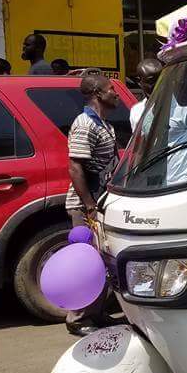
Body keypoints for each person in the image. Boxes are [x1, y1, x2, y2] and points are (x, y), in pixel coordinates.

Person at [64, 73, 120, 336]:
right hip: (85, 205)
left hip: (98, 203)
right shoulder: (85, 124)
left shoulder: (104, 124)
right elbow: (75, 167)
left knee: (101, 262)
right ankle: (78, 318)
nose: (116, 93)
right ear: (98, 93)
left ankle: (96, 312)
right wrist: (88, 206)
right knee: (87, 263)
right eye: (112, 89)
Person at [130, 58, 162, 132]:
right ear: (139, 82)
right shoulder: (136, 111)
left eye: (160, 80)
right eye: (150, 81)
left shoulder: (179, 108)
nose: (156, 85)